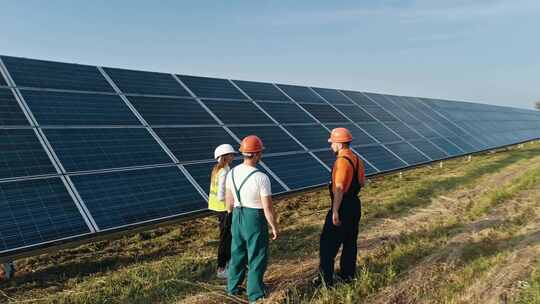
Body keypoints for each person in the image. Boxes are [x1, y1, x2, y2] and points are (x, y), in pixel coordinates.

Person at [226, 135, 278, 304]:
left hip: (236, 214)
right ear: (255, 154)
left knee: (237, 253)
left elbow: (229, 199)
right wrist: (274, 226)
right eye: (260, 152)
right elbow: (267, 207)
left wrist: (232, 215)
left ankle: (233, 288)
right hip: (254, 217)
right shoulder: (261, 177)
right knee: (257, 255)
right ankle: (255, 294)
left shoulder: (232, 171)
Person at [318, 127, 366, 287]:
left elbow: (338, 188)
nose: (331, 145)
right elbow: (362, 183)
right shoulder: (356, 158)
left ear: (339, 144)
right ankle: (348, 276)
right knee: (350, 242)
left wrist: (335, 211)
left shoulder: (341, 161)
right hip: (354, 205)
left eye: (332, 143)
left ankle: (326, 282)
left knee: (327, 246)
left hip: (343, 206)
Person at [209, 144, 236, 279]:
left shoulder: (218, 169)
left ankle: (229, 264)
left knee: (228, 237)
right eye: (231, 155)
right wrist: (232, 203)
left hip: (218, 208)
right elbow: (221, 195)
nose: (233, 157)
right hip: (223, 209)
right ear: (225, 157)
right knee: (225, 239)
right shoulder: (224, 171)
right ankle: (221, 268)